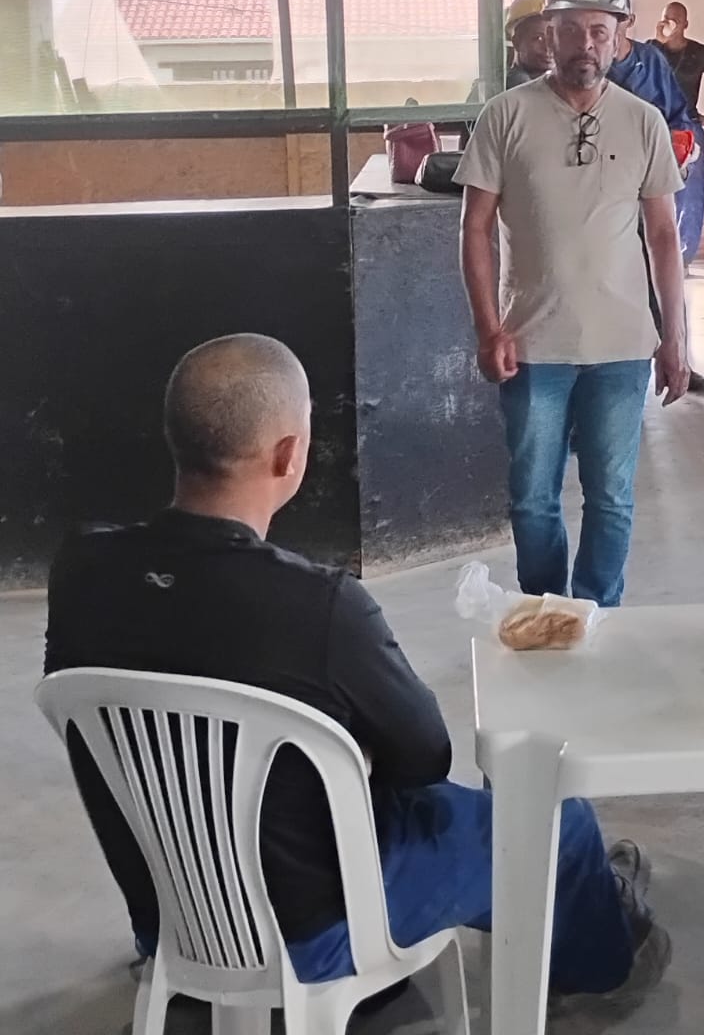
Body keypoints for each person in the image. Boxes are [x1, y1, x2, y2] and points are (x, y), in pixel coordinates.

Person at [43, 335, 669, 1004]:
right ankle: (607, 954)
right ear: (289, 454)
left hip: (170, 915)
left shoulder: (81, 569)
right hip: (316, 929)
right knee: (560, 825)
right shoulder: (321, 605)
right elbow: (425, 758)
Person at [456, 0, 688, 608]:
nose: (585, 44)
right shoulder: (505, 117)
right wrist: (488, 328)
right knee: (532, 497)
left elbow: (663, 237)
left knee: (611, 497)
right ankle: (544, 610)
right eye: (570, 30)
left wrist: (675, 338)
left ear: (620, 37)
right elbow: (474, 228)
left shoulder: (644, 121)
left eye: (599, 30)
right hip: (532, 346)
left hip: (622, 346)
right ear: (547, 35)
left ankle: (596, 615)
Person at [609, 11, 704, 394]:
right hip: (603, 194)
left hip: (650, 189)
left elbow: (679, 115)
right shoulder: (584, 66)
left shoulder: (650, 61)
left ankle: (677, 355)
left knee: (664, 270)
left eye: (612, 21)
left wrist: (682, 145)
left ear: (627, 20)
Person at [654, 1, 704, 267]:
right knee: (657, 188)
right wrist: (658, 43)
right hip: (658, 124)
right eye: (667, 18)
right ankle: (658, 253)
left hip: (688, 124)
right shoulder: (652, 50)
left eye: (676, 19)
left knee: (691, 192)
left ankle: (684, 256)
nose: (671, 23)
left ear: (686, 24)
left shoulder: (699, 53)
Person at [504, 0, 551, 88]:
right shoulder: (519, 83)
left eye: (552, 37)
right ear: (516, 42)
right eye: (538, 38)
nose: (547, 47)